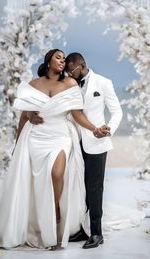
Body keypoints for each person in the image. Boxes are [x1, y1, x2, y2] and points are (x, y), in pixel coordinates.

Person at [0, 49, 109, 250]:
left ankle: (54, 210)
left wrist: (95, 129)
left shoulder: (69, 83)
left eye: (64, 59)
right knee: (36, 179)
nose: (63, 61)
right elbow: (24, 116)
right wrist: (18, 143)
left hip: (60, 135)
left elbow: (77, 114)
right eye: (58, 57)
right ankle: (41, 217)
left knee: (57, 172)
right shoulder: (32, 85)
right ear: (48, 61)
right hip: (37, 136)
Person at [28, 52, 123, 249]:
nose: (69, 72)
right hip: (70, 139)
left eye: (71, 69)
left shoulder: (103, 83)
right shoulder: (68, 82)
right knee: (77, 186)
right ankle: (81, 227)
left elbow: (117, 111)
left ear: (82, 64)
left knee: (94, 188)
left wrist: (108, 130)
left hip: (96, 142)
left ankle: (96, 233)